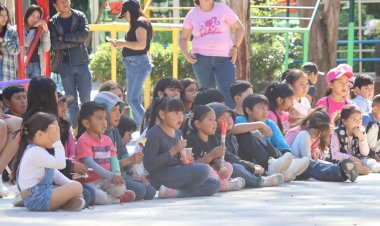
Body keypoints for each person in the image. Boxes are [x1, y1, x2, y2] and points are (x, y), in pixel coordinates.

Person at [238, 94, 359, 182]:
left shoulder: (270, 124)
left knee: (307, 165)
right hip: (258, 164)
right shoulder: (240, 121)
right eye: (260, 108)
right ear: (248, 110)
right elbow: (233, 129)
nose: (265, 112)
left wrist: (288, 159)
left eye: (266, 108)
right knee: (304, 165)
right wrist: (259, 125)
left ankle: (341, 172)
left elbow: (283, 146)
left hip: (277, 160)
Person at [143, 97, 220, 198]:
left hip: (178, 172)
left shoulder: (178, 132)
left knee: (214, 184)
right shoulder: (154, 133)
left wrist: (187, 159)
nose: (180, 117)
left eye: (182, 112)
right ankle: (173, 190)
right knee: (204, 170)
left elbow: (178, 160)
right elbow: (149, 165)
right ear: (162, 114)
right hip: (160, 176)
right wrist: (174, 150)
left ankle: (176, 193)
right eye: (176, 113)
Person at [11, 112, 85, 211]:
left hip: (39, 195)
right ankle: (67, 202)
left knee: (75, 188)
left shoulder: (39, 151)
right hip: (37, 198)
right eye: (54, 132)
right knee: (77, 187)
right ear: (40, 134)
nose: (58, 135)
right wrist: (57, 141)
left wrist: (69, 184)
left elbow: (55, 174)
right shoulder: (35, 152)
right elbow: (61, 164)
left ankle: (69, 202)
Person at [179, 0, 245, 108]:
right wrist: (186, 53)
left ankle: (231, 121)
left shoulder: (222, 9)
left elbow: (240, 28)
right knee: (206, 94)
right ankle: (208, 122)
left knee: (229, 92)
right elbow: (183, 38)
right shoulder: (192, 14)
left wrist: (235, 47)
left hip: (224, 57)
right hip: (200, 58)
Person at [94, 91, 156, 201]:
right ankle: (116, 195)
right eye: (113, 110)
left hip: (122, 175)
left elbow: (123, 154)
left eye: (119, 110)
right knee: (141, 190)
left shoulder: (114, 131)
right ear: (102, 112)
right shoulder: (97, 134)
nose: (119, 114)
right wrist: (128, 161)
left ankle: (122, 193)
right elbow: (104, 166)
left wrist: (135, 174)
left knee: (150, 191)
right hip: (106, 177)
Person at [207, 102, 285, 186]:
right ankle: (260, 181)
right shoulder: (214, 138)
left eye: (229, 116)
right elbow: (230, 158)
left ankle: (273, 164)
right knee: (236, 167)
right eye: (223, 118)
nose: (228, 120)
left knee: (248, 134)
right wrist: (251, 166)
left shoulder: (230, 135)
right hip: (225, 170)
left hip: (239, 164)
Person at [76, 101, 136, 204]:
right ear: (86, 123)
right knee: (98, 196)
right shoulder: (83, 140)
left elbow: (114, 160)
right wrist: (111, 176)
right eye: (99, 119)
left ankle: (117, 195)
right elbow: (90, 163)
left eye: (105, 118)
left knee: (120, 187)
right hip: (90, 182)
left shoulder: (107, 139)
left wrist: (117, 175)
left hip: (106, 180)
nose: (104, 122)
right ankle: (117, 199)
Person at [110, 0, 153, 129]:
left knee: (132, 100)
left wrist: (122, 43)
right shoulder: (139, 22)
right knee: (135, 99)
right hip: (135, 63)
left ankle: (150, 126)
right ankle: (143, 128)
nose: (124, 18)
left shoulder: (140, 23)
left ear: (130, 12)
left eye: (125, 14)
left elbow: (141, 45)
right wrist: (120, 44)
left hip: (137, 63)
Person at [49, 0, 92, 129]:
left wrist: (65, 37)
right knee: (71, 101)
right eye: (61, 1)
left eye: (66, 0)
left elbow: (84, 35)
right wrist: (74, 40)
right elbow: (55, 45)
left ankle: (88, 129)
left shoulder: (79, 16)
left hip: (82, 62)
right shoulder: (53, 22)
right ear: (55, 5)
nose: (65, 3)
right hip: (65, 65)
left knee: (86, 100)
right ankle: (76, 129)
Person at [183, 105, 246, 192]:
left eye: (215, 119)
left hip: (211, 171)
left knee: (228, 166)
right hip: (199, 173)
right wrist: (211, 155)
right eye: (210, 120)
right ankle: (224, 185)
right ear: (198, 124)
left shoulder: (213, 137)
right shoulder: (191, 140)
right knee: (209, 170)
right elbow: (192, 166)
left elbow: (217, 159)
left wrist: (222, 166)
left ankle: (222, 183)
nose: (215, 123)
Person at [329, 105, 380, 174]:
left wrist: (361, 138)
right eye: (354, 120)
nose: (358, 122)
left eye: (360, 119)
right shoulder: (337, 132)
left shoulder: (361, 131)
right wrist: (350, 157)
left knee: (369, 161)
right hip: (341, 159)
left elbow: (365, 153)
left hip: (358, 158)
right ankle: (355, 168)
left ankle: (376, 168)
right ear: (345, 121)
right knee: (342, 164)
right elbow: (335, 153)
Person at [24, 4, 50, 78]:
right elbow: (27, 43)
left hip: (36, 64)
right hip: (24, 64)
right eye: (33, 15)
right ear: (27, 15)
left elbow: (46, 48)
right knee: (23, 88)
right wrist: (34, 28)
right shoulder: (19, 28)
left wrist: (46, 32)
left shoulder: (39, 31)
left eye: (37, 17)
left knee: (36, 88)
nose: (34, 19)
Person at [0, 3, 20, 81]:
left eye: (6, 15)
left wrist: (3, 41)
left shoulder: (11, 31)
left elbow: (16, 50)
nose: (5, 18)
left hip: (7, 71)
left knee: (6, 92)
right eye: (1, 15)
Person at [363, 95, 380, 161]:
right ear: (375, 109)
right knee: (374, 127)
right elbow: (361, 135)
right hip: (364, 149)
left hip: (374, 150)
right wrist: (370, 151)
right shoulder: (366, 117)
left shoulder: (378, 121)